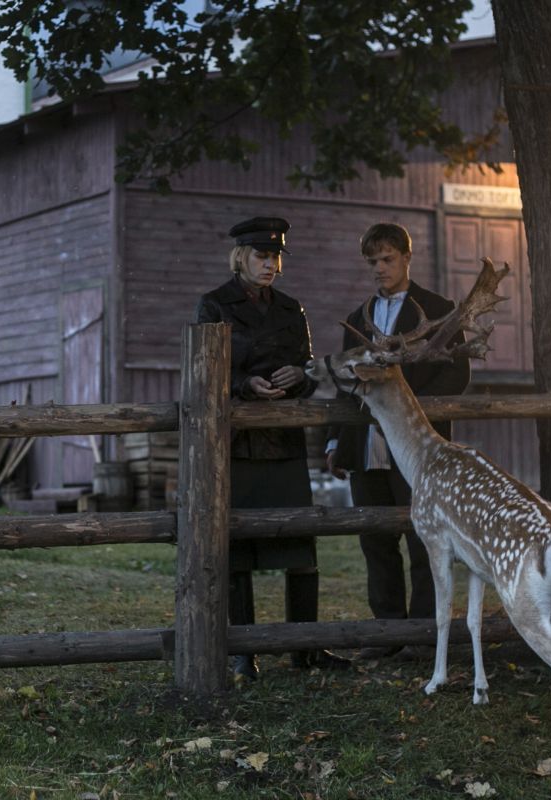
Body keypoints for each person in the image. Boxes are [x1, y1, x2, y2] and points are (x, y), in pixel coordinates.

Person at [196, 216, 349, 680]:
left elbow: (306, 366)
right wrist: (244, 384)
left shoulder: (291, 308)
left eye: (276, 257)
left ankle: (306, 647)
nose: (272, 265)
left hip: (284, 444)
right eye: (263, 256)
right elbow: (206, 368)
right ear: (242, 257)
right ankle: (244, 653)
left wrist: (299, 377)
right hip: (238, 447)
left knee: (300, 545)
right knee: (239, 550)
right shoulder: (213, 305)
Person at [325, 223, 470, 660]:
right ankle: (386, 632)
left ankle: (424, 636)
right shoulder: (357, 318)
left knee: (423, 536)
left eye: (387, 260)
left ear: (408, 257)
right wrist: (334, 442)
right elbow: (341, 383)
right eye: (372, 262)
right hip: (365, 443)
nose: (379, 269)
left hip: (417, 448)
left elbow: (457, 375)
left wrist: (405, 411)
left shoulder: (440, 310)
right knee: (375, 537)